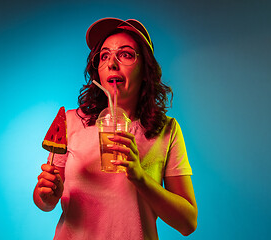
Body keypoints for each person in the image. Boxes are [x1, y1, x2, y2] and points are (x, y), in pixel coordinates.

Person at [33, 18, 198, 239]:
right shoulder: (71, 122)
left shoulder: (167, 130)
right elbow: (44, 202)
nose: (112, 63)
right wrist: (47, 196)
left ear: (145, 70)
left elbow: (187, 223)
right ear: (98, 71)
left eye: (126, 54)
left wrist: (139, 177)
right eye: (104, 56)